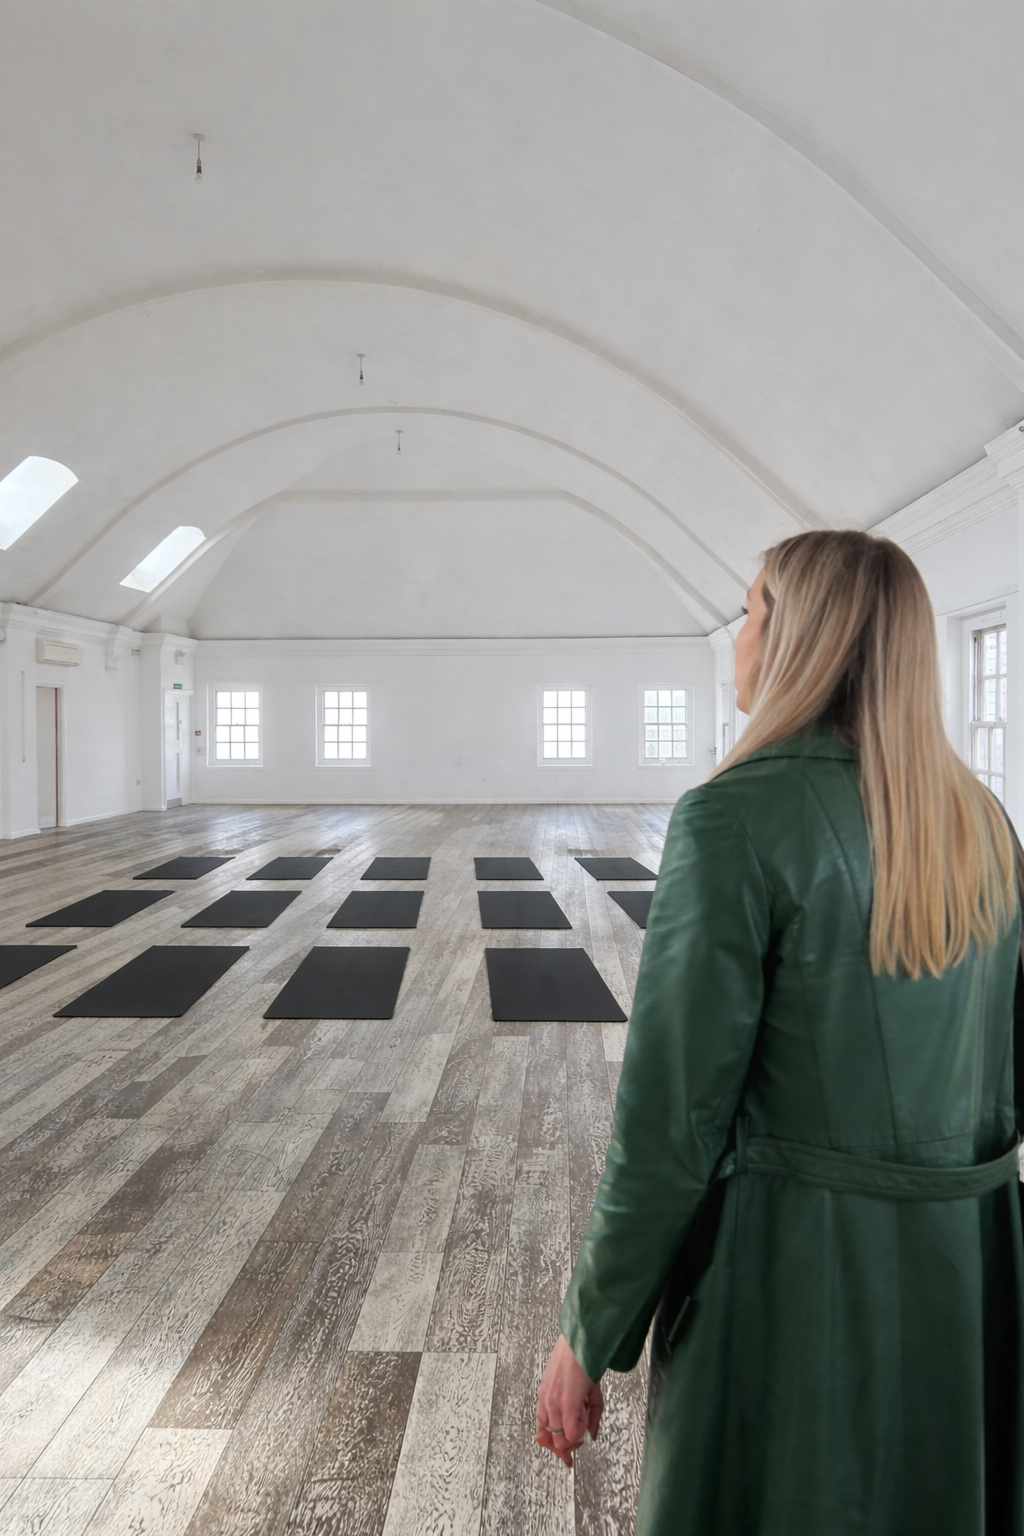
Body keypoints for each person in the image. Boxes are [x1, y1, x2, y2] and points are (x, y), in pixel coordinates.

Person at [536, 530, 1024, 1535]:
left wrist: (588, 1330)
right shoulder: (982, 821)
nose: (739, 635)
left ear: (800, 633)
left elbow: (672, 1121)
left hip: (792, 1276)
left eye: (752, 609)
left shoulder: (734, 818)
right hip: (968, 1276)